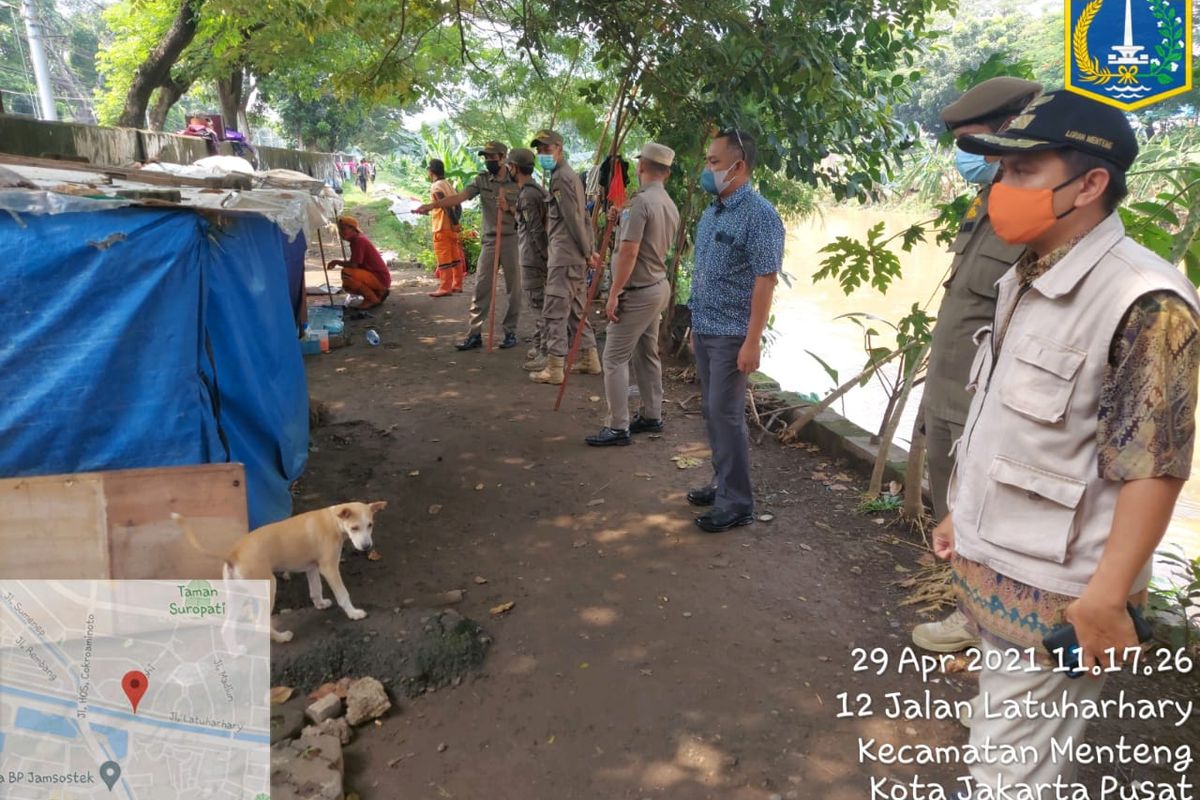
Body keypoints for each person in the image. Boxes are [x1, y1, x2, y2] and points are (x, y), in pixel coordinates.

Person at [936, 90, 1199, 792]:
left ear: (1089, 184)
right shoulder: (1029, 272)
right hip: (1000, 579)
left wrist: (1106, 599)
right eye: (1001, 173)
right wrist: (963, 511)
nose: (1001, 189)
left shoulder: (1146, 300)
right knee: (1007, 761)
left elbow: (1156, 464)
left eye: (1022, 172)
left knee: (1007, 778)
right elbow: (1013, 421)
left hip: (1063, 598)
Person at [912, 77, 1042, 656]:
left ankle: (1000, 646)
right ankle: (969, 614)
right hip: (948, 395)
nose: (965, 158)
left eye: (974, 143)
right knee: (953, 514)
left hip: (987, 406)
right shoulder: (988, 207)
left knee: (994, 527)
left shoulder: (1037, 218)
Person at [686, 129, 784, 533]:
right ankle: (722, 482)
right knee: (711, 412)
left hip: (731, 334)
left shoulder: (760, 215)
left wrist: (752, 340)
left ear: (738, 166)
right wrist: (693, 325)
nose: (707, 170)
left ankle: (738, 501)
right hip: (705, 327)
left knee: (726, 415)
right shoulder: (713, 212)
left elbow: (765, 280)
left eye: (713, 162)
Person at [586, 142, 680, 447]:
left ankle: (617, 426)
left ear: (641, 166)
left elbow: (628, 251)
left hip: (638, 291)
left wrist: (614, 293)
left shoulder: (641, 203)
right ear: (665, 172)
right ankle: (652, 414)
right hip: (657, 287)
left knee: (613, 358)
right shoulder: (667, 203)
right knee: (646, 352)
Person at [416, 141, 522, 350]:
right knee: (481, 286)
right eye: (486, 157)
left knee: (514, 289)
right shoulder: (482, 180)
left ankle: (510, 332)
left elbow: (528, 210)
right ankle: (475, 334)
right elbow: (459, 197)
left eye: (492, 157)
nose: (488, 161)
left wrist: (509, 208)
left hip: (511, 239)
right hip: (490, 240)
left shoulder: (518, 181)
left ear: (503, 157)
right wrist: (431, 205)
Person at [529, 129, 602, 384]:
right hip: (573, 256)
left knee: (555, 310)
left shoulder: (561, 177)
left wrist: (586, 251)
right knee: (575, 309)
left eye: (546, 149)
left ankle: (555, 367)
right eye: (539, 150)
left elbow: (573, 218)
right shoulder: (567, 176)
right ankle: (589, 357)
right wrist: (588, 250)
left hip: (566, 256)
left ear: (559, 148)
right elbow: (582, 218)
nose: (542, 154)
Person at [508, 148, 551, 370]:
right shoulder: (535, 190)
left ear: (514, 168)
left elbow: (535, 230)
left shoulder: (528, 195)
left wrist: (544, 256)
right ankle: (539, 345)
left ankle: (546, 352)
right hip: (535, 257)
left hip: (533, 258)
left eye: (509, 166)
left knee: (538, 305)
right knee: (538, 304)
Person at [327, 215, 391, 309]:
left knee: (347, 273)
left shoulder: (359, 241)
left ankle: (373, 298)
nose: (341, 233)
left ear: (353, 229)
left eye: (344, 229)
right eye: (340, 230)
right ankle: (377, 294)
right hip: (377, 277)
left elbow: (353, 265)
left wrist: (336, 262)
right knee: (347, 283)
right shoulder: (357, 240)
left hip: (380, 278)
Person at [426, 158, 466, 298]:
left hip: (441, 228)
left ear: (431, 171)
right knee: (455, 257)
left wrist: (454, 223)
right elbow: (458, 205)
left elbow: (445, 205)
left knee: (444, 259)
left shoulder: (436, 186)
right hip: (451, 228)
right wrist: (456, 222)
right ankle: (457, 284)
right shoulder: (448, 184)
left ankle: (445, 287)